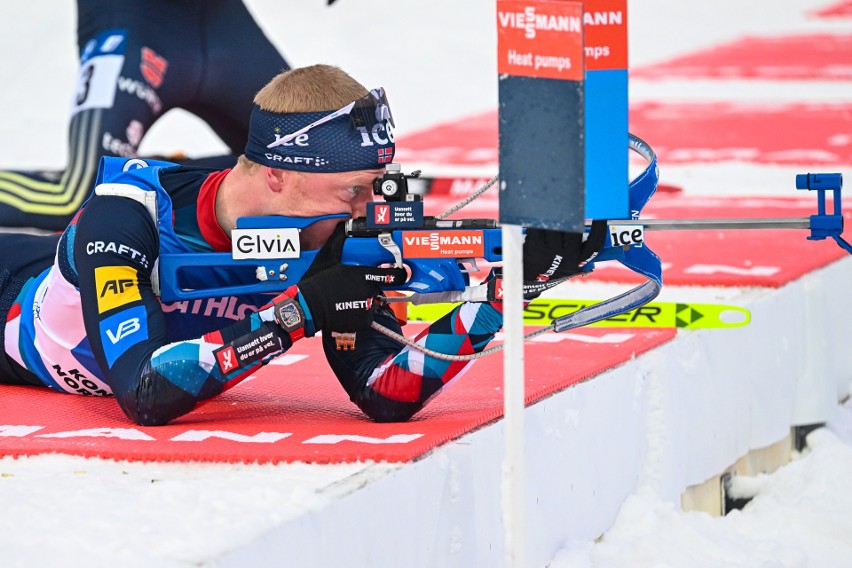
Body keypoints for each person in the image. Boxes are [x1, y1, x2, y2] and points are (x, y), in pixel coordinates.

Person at [0, 64, 598, 427]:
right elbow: (145, 392)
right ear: (278, 175)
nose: (367, 211)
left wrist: (492, 300)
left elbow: (383, 392)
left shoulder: (332, 230)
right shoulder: (126, 219)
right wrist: (301, 311)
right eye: (353, 191)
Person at [0, 0, 290, 231]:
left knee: (308, 165)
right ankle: (144, 177)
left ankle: (156, 175)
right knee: (84, 196)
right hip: (133, 21)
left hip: (220, 26)